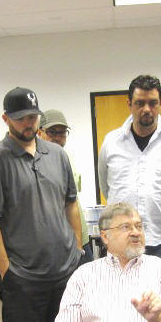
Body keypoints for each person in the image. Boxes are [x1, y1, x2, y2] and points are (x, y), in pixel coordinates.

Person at [0, 87, 82, 322]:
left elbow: (71, 203)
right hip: (24, 279)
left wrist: (78, 250)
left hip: (64, 273)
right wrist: (6, 271)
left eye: (33, 116)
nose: (28, 123)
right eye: (21, 117)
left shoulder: (57, 155)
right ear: (6, 119)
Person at [98, 75, 161, 273]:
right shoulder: (111, 142)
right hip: (122, 242)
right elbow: (106, 187)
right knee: (120, 299)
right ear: (129, 104)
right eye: (140, 103)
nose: (147, 109)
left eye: (152, 103)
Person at [38, 109, 92, 262]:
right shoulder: (34, 162)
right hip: (56, 243)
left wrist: (80, 244)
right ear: (39, 132)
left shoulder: (66, 156)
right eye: (52, 132)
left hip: (81, 237)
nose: (57, 138)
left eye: (62, 133)